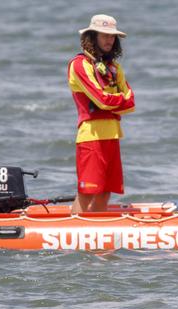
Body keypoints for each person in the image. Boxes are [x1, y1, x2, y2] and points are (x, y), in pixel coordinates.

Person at [67, 14, 135, 213]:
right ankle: (74, 234)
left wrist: (114, 100)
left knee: (107, 191)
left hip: (113, 134)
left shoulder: (114, 67)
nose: (109, 40)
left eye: (112, 36)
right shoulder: (79, 65)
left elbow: (131, 103)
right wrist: (118, 100)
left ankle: (96, 236)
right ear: (92, 36)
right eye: (104, 35)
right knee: (87, 191)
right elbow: (102, 100)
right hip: (91, 136)